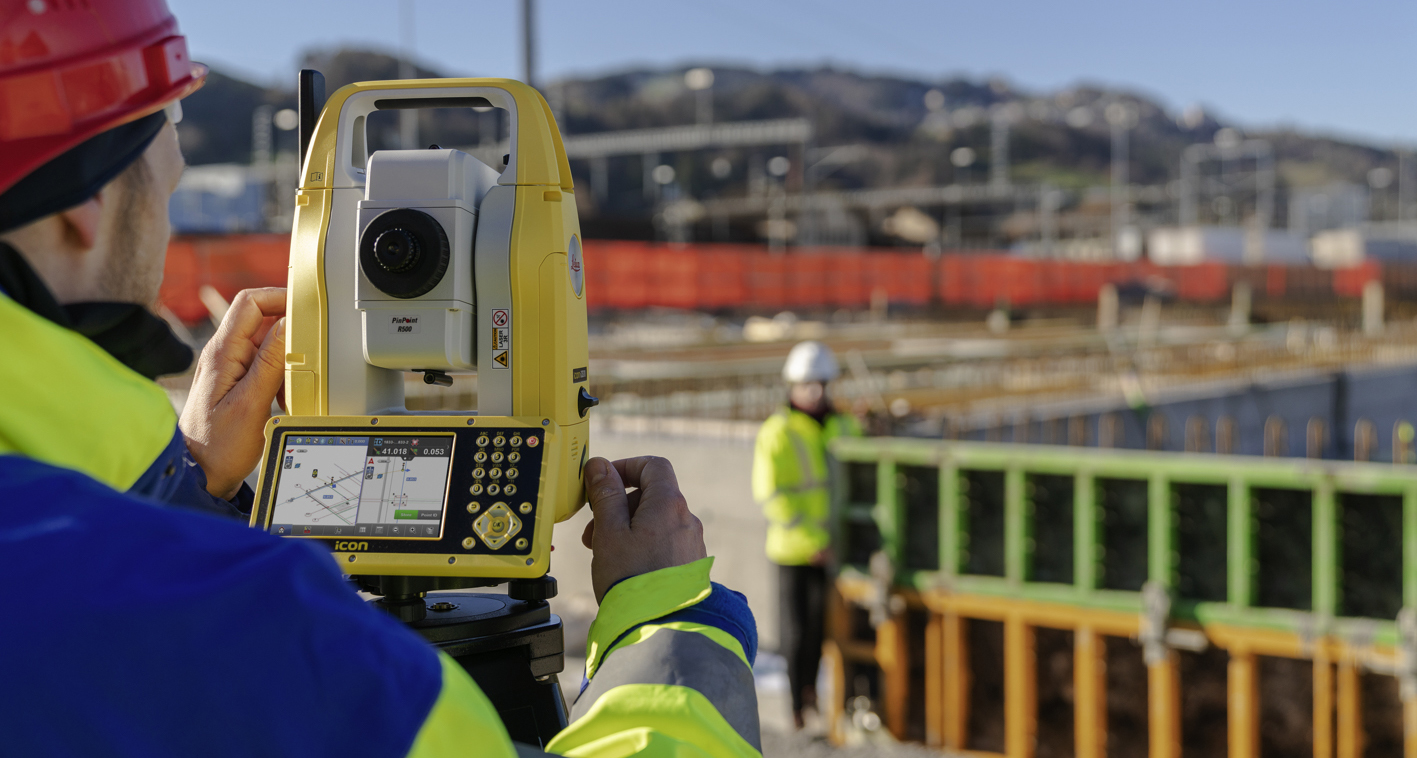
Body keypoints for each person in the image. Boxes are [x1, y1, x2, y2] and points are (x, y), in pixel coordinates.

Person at [0, 2, 760, 756]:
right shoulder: (268, 643)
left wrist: (180, 489)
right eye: (166, 180)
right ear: (87, 204)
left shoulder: (90, 558)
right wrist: (669, 625)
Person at [752, 340, 862, 729]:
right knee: (796, 635)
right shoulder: (778, 431)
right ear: (792, 387)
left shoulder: (844, 426)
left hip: (834, 551)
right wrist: (815, 543)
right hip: (794, 552)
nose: (814, 393)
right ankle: (797, 708)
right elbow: (771, 496)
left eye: (820, 385)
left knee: (825, 631)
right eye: (806, 385)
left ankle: (818, 701)